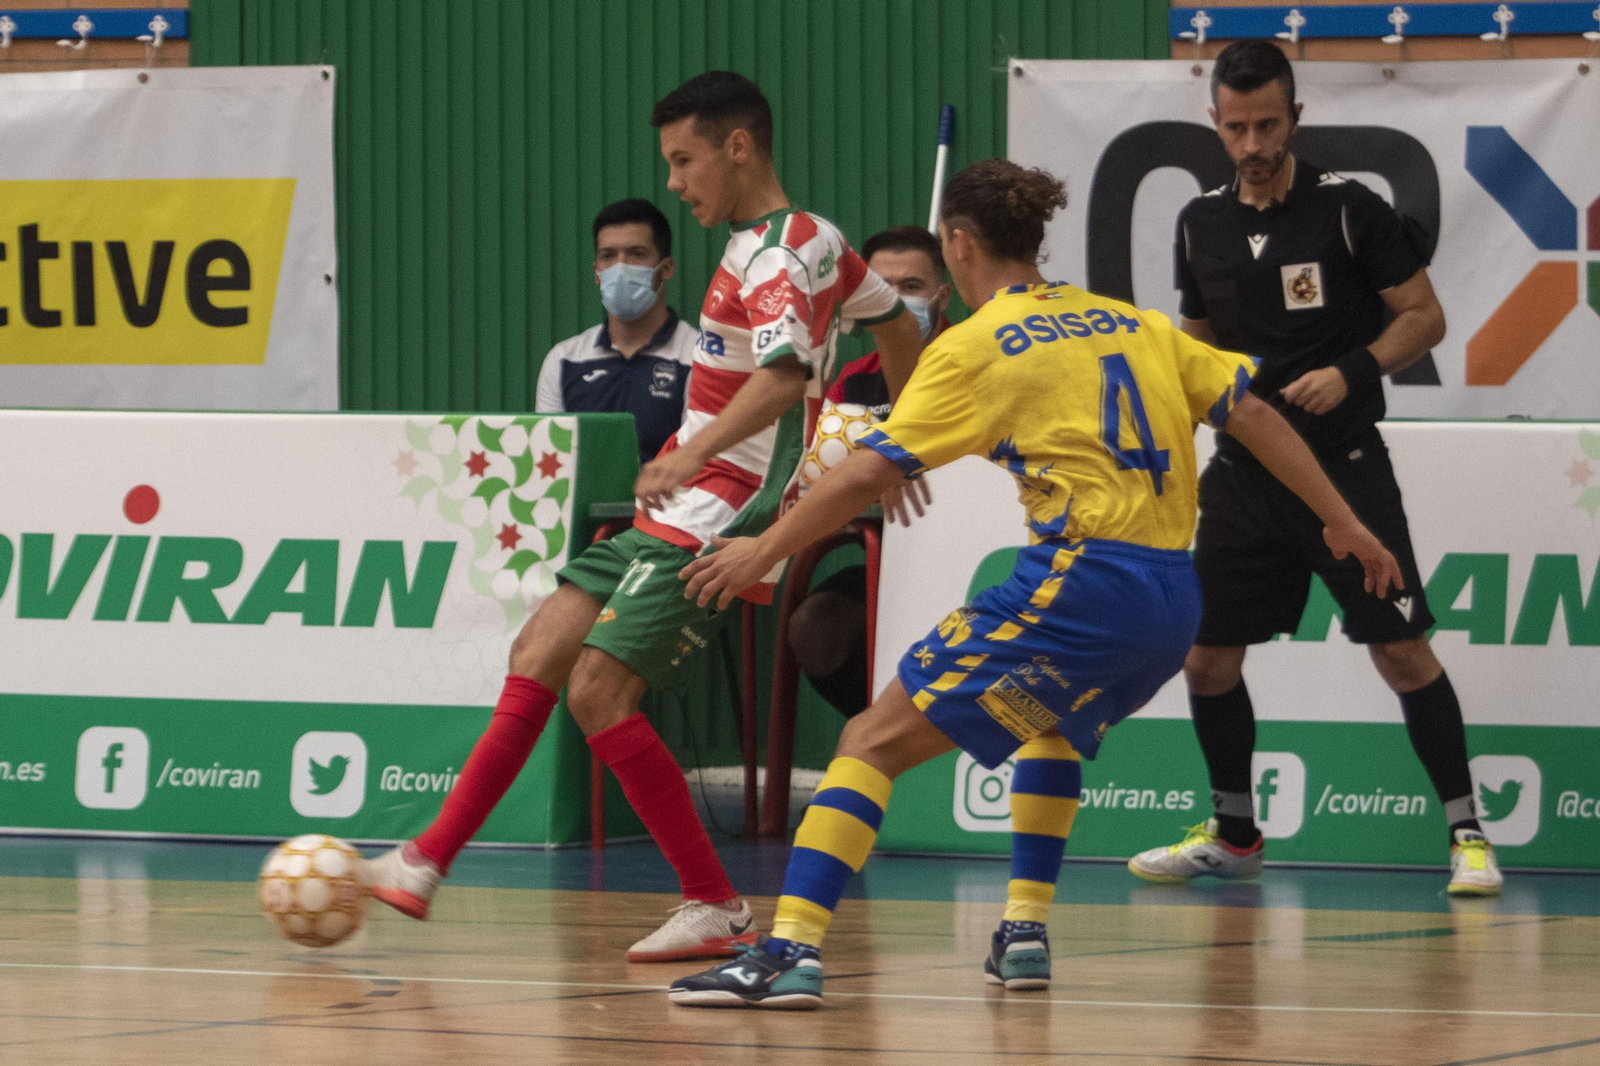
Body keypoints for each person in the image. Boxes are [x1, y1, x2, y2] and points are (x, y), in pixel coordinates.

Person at [665, 159, 1402, 1009]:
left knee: (869, 740)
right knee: (1048, 726)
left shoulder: (973, 346)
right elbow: (1258, 414)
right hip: (1171, 598)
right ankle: (1023, 933)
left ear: (959, 244)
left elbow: (868, 473)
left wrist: (761, 549)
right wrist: (1342, 521)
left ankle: (787, 952)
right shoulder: (1136, 324)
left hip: (1083, 581)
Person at [365, 70, 923, 964]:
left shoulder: (777, 257)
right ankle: (426, 860)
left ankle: (713, 902)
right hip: (687, 503)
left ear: (738, 147)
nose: (675, 181)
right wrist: (904, 434)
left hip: (723, 505)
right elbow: (896, 325)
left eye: (684, 159)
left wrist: (694, 453)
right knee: (539, 652)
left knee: (595, 690)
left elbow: (782, 380)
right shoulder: (809, 239)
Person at [1126, 40, 1499, 897]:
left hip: (1345, 469)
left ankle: (1468, 833)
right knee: (1207, 661)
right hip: (1243, 475)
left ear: (1296, 117)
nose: (1252, 143)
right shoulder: (1200, 221)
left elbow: (1425, 317)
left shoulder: (1349, 211)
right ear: (1214, 125)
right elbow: (1202, 339)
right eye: (1235, 127)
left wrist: (1355, 370)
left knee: (1403, 651)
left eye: (1267, 124)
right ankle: (1234, 835)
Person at [789, 225, 951, 718]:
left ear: (941, 297)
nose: (897, 302)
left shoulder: (971, 360)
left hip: (970, 559)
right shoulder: (850, 381)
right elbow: (822, 472)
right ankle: (880, 737)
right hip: (885, 560)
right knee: (814, 628)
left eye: (912, 288)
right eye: (884, 290)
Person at [536, 198, 698, 466]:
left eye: (636, 254)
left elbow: (697, 461)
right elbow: (550, 463)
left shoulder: (697, 355)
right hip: (581, 508)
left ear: (666, 269)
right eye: (608, 256)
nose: (620, 268)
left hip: (668, 506)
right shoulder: (563, 360)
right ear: (596, 272)